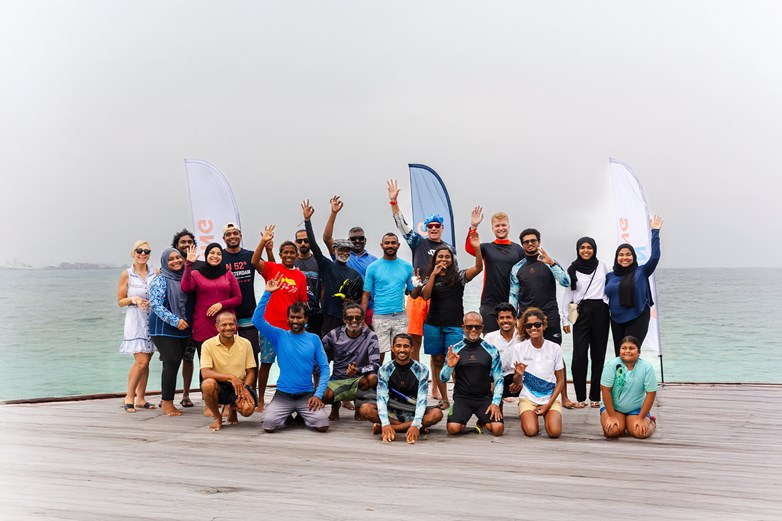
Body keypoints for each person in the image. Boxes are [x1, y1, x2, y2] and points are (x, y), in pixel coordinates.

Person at [410, 230, 483, 410]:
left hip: (454, 326)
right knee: (436, 360)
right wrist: (433, 274)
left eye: (447, 257)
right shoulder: (430, 277)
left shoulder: (459, 276)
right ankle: (444, 398)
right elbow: (425, 296)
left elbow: (478, 269)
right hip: (433, 325)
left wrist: (477, 249)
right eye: (440, 256)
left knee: (456, 361)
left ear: (452, 260)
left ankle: (459, 395)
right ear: (434, 260)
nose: (444, 259)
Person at [387, 179, 456, 362]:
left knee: (437, 345)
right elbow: (401, 225)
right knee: (414, 341)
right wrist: (394, 202)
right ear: (426, 228)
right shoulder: (418, 242)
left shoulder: (449, 249)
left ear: (442, 228)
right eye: (430, 226)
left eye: (437, 226)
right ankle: (416, 380)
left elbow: (454, 275)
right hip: (417, 296)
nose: (433, 229)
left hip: (439, 297)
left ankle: (435, 385)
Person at [252, 273, 331, 433]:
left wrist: (318, 394)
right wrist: (268, 293)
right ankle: (287, 413)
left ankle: (301, 414)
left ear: (306, 319)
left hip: (306, 395)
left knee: (322, 424)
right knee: (268, 424)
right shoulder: (279, 335)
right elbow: (257, 321)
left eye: (299, 318)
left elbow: (324, 368)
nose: (295, 321)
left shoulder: (314, 339)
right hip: (283, 394)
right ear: (288, 319)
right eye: (292, 317)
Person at [509, 228, 576, 408]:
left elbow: (566, 282)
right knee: (525, 356)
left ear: (539, 242)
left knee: (556, 355)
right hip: (526, 318)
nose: (530, 244)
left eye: (533, 241)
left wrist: (552, 263)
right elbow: (513, 295)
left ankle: (564, 397)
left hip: (550, 315)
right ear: (522, 245)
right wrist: (513, 317)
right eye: (526, 242)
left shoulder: (549, 263)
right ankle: (529, 396)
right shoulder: (517, 268)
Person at [251, 225, 308, 413]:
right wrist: (263, 241)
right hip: (269, 327)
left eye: (293, 252)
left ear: (296, 255)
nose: (289, 255)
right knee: (266, 363)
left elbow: (302, 304)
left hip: (290, 330)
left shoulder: (300, 276)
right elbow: (254, 261)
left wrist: (302, 327)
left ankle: (290, 397)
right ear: (280, 254)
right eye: (286, 252)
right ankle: (260, 401)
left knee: (289, 364)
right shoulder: (272, 268)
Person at [358, 334, 444, 443]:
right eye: (398, 346)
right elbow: (381, 399)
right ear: (392, 348)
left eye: (406, 346)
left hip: (412, 409)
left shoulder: (422, 370)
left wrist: (416, 423)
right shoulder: (385, 369)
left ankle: (395, 429)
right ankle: (408, 428)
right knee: (365, 409)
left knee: (436, 414)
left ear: (412, 349)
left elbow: (422, 400)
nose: (402, 350)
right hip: (391, 409)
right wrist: (385, 423)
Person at [301, 200, 364, 335]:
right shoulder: (327, 266)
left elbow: (361, 296)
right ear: (335, 250)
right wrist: (307, 220)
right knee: (328, 351)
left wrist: (352, 301)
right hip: (330, 316)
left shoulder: (355, 274)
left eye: (347, 250)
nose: (344, 253)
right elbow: (313, 245)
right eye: (341, 250)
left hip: (349, 318)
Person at [561, 237, 610, 408]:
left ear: (594, 249)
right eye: (582, 247)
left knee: (598, 355)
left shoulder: (602, 266)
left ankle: (595, 396)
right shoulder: (572, 269)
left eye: (589, 247)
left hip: (601, 311)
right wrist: (564, 318)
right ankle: (580, 397)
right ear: (578, 249)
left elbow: (609, 289)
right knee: (580, 355)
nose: (586, 250)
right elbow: (568, 293)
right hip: (581, 312)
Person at [181, 243, 242, 377]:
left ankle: (228, 392)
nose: (215, 256)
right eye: (212, 253)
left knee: (227, 361)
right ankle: (207, 394)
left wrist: (221, 304)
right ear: (206, 255)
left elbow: (238, 298)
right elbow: (186, 288)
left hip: (226, 324)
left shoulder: (228, 275)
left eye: (219, 254)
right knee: (206, 363)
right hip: (203, 324)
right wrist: (188, 264)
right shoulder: (196, 273)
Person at [605, 215, 663, 356]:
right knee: (620, 354)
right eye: (621, 255)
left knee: (630, 352)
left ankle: (635, 378)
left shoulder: (641, 271)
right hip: (616, 319)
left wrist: (655, 232)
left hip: (638, 316)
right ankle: (621, 379)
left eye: (628, 254)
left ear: (633, 257)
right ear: (616, 257)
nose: (625, 257)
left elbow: (654, 257)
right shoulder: (610, 276)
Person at [440, 312, 504, 436]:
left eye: (477, 327)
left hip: (484, 398)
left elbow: (499, 378)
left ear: (482, 328)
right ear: (463, 327)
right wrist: (449, 366)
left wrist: (495, 402)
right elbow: (443, 378)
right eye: (469, 327)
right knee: (453, 429)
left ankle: (482, 420)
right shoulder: (455, 350)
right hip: (462, 398)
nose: (473, 330)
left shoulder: (491, 350)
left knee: (497, 429)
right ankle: (468, 419)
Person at [465, 207, 524, 333]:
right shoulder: (487, 248)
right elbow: (470, 248)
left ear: (509, 227)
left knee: (512, 343)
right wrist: (473, 226)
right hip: (489, 303)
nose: (501, 228)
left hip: (511, 302)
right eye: (497, 226)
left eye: (503, 225)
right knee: (490, 341)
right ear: (492, 228)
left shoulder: (518, 250)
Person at [322, 195, 378, 326]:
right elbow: (327, 238)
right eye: (353, 239)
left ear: (365, 240)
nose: (357, 241)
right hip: (342, 307)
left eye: (360, 238)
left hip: (369, 308)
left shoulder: (374, 261)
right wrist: (333, 213)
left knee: (368, 342)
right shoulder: (342, 254)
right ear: (348, 241)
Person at [510, 307, 566, 438]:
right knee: (531, 431)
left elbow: (561, 380)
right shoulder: (519, 348)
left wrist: (548, 405)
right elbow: (517, 383)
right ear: (525, 328)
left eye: (537, 324)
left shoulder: (555, 348)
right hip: (528, 397)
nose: (533, 328)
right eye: (529, 325)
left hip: (550, 397)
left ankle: (548, 415)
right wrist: (518, 374)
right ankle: (530, 416)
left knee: (554, 432)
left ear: (544, 325)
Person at [148, 248, 191, 417]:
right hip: (163, 328)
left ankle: (167, 399)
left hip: (182, 327)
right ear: (165, 262)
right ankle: (167, 402)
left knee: (174, 363)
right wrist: (175, 320)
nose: (175, 261)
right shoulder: (160, 280)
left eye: (178, 257)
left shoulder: (184, 278)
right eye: (171, 259)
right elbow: (156, 305)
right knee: (171, 362)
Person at [361, 233, 414, 363]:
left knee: (399, 353)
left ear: (398, 245)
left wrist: (419, 283)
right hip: (380, 316)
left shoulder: (407, 266)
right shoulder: (373, 267)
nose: (390, 245)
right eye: (387, 243)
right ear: (382, 245)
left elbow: (413, 293)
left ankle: (396, 381)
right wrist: (361, 318)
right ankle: (378, 382)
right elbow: (366, 294)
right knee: (378, 354)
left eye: (393, 243)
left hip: (400, 316)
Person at [321, 303, 380, 420]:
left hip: (359, 379)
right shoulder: (334, 334)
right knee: (322, 395)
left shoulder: (370, 336)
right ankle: (335, 407)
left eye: (358, 318)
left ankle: (358, 408)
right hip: (338, 379)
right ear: (344, 319)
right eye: (349, 318)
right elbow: (318, 350)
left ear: (362, 319)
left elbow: (376, 365)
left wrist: (358, 370)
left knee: (373, 378)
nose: (354, 320)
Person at [200, 312, 258, 432]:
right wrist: (231, 377)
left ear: (236, 325)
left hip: (239, 386)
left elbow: (251, 371)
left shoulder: (245, 343)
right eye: (224, 325)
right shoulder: (208, 344)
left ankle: (232, 408)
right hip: (219, 385)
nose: (228, 328)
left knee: (248, 409)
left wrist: (246, 388)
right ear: (217, 326)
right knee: (207, 384)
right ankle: (217, 417)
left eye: (231, 324)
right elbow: (205, 373)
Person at [117, 241, 156, 412]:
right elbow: (120, 300)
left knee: (147, 361)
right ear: (133, 252)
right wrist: (134, 299)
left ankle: (141, 398)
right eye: (139, 251)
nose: (143, 254)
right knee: (141, 361)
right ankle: (129, 396)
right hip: (136, 321)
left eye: (146, 251)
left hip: (152, 319)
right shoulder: (127, 274)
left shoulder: (154, 273)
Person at [600, 335, 658, 439]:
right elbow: (605, 391)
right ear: (619, 351)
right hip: (613, 409)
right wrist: (612, 417)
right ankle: (623, 424)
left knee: (640, 433)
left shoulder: (647, 367)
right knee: (612, 432)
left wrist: (641, 418)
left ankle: (652, 422)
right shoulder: (611, 365)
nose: (627, 351)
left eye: (631, 348)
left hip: (636, 409)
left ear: (639, 352)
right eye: (624, 348)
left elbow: (651, 394)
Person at [170, 229, 199, 408]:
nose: (186, 245)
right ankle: (168, 397)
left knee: (192, 359)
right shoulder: (170, 267)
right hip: (175, 322)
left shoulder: (200, 266)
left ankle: (188, 394)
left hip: (196, 320)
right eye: (183, 242)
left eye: (190, 242)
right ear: (176, 246)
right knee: (171, 360)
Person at [483, 303, 523, 408]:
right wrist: (491, 381)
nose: (505, 321)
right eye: (501, 318)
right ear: (497, 321)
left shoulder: (523, 337)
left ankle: (525, 406)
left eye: (508, 317)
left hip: (519, 378)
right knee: (485, 387)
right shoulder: (489, 337)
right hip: (497, 377)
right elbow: (485, 363)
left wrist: (518, 380)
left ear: (515, 319)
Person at [293, 228, 323, 334]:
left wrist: (323, 308)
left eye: (306, 240)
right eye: (299, 241)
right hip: (295, 312)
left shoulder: (318, 261)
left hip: (315, 312)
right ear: (295, 243)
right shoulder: (291, 262)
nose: (303, 244)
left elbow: (322, 287)